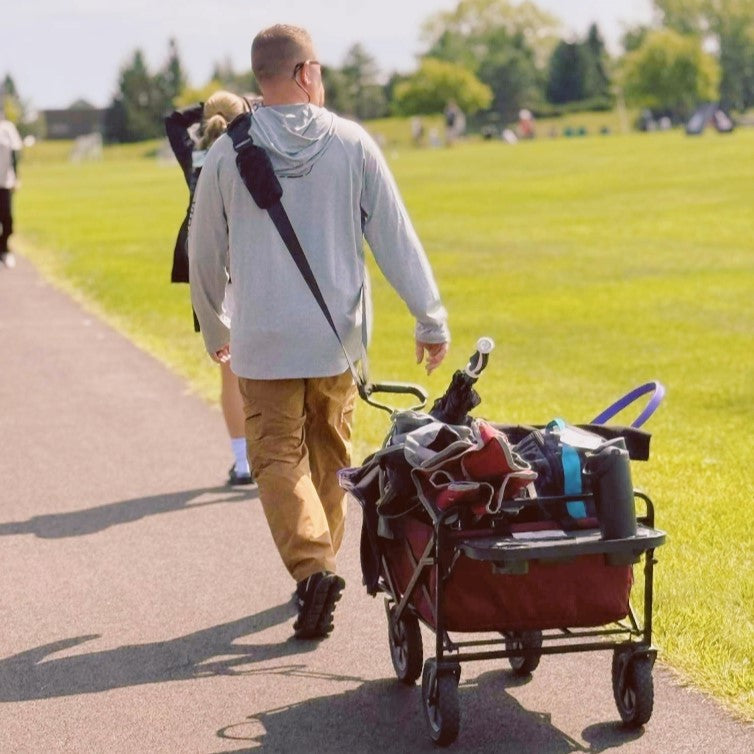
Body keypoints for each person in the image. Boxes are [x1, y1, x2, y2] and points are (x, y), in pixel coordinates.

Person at [188, 24, 450, 640]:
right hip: (336, 339)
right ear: (305, 72)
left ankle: (312, 570)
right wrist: (429, 316)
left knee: (275, 455)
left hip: (261, 340)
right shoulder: (353, 143)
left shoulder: (227, 152)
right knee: (331, 458)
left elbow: (204, 251)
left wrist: (212, 326)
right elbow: (394, 237)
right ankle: (319, 563)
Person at [164, 91, 254, 486]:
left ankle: (244, 462)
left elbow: (171, 121)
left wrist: (208, 106)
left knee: (230, 375)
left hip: (211, 272)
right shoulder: (251, 152)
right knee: (269, 371)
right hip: (250, 268)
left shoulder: (195, 157)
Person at [0, 117, 23, 269]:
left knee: (7, 219)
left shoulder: (7, 128)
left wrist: (16, 177)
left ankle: (4, 248)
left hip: (4, 182)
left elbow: (15, 154)